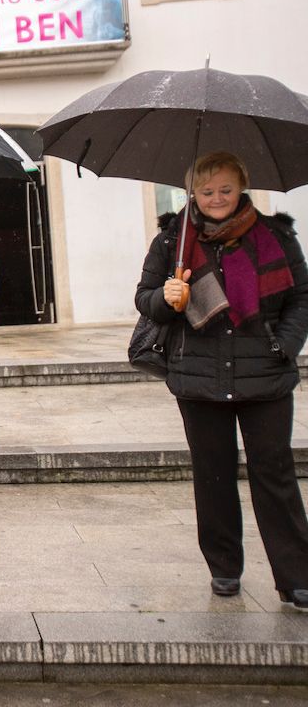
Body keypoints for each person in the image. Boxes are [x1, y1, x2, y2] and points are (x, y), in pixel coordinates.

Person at [135, 151, 308, 610]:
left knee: (275, 476)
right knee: (212, 476)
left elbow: (301, 298)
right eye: (207, 191)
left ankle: (296, 576)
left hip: (264, 376)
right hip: (199, 376)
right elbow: (144, 297)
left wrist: (283, 346)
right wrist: (165, 297)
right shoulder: (174, 241)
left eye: (226, 189)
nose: (216, 199)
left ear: (242, 187)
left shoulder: (275, 236)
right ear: (193, 192)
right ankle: (225, 569)